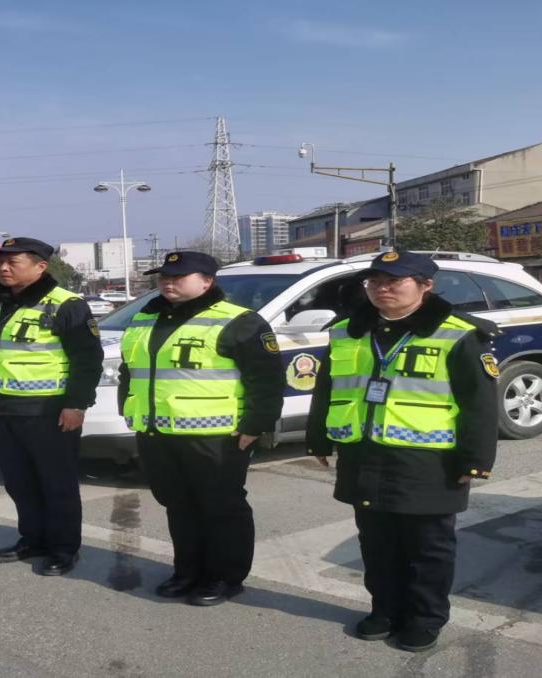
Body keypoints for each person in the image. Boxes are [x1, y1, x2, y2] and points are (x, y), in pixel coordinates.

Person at [306, 250, 498, 652]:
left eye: (394, 281)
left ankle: (425, 618)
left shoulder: (458, 333)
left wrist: (476, 460)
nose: (382, 289)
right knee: (376, 543)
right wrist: (318, 437)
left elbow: (479, 403)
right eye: (375, 281)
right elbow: (327, 388)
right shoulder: (346, 331)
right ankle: (385, 610)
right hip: (363, 454)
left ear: (426, 286)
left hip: (429, 460)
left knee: (427, 548)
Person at [117, 251, 285, 606]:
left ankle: (224, 577)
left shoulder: (238, 321)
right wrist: (128, 408)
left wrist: (256, 424)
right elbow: (129, 371)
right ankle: (187, 571)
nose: (168, 282)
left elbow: (266, 379)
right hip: (156, 432)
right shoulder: (145, 319)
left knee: (221, 508)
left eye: (178, 277)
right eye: (164, 276)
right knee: (178, 506)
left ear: (207, 281)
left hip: (216, 435)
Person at [0, 237, 103, 576]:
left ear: (40, 266)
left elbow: (87, 360)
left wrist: (76, 404)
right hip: (2, 409)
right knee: (19, 482)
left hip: (47, 412)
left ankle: (63, 549)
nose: (3, 268)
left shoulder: (65, 304)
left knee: (57, 484)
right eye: (0, 263)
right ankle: (32, 539)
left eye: (13, 262)